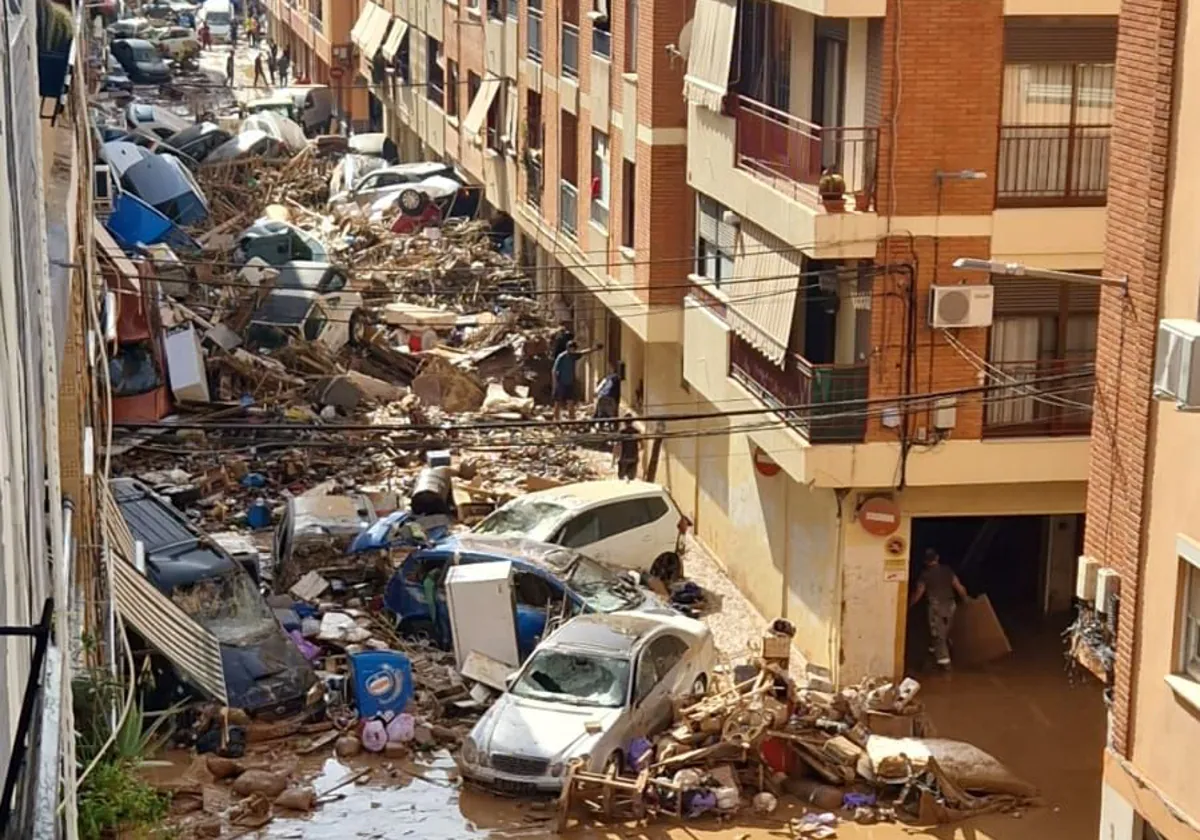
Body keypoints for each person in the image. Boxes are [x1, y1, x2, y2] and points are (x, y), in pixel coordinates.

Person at [909, 549, 970, 669]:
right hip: (951, 605)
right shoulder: (947, 570)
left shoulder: (925, 575)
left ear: (926, 561)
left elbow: (919, 593)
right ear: (937, 558)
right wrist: (967, 600)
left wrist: (909, 605)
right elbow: (959, 587)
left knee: (938, 634)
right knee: (945, 631)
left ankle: (945, 662)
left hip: (936, 606)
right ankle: (934, 651)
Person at [551, 340, 600, 421]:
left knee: (571, 402)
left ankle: (572, 420)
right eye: (571, 349)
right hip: (561, 383)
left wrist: (594, 349)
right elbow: (554, 371)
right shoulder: (562, 357)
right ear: (568, 348)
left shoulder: (573, 356)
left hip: (570, 382)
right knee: (558, 402)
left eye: (574, 349)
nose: (572, 351)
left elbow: (583, 353)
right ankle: (556, 419)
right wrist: (555, 384)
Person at [613, 414, 640, 481]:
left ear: (624, 422)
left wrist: (614, 459)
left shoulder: (622, 432)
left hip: (624, 458)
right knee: (631, 479)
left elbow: (617, 446)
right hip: (634, 457)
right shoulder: (637, 432)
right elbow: (642, 446)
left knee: (621, 478)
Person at [593, 364, 620, 430]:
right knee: (611, 416)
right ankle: (612, 430)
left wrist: (597, 394)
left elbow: (597, 390)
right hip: (610, 398)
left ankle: (600, 429)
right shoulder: (618, 379)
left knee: (601, 415)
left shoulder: (607, 378)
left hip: (602, 397)